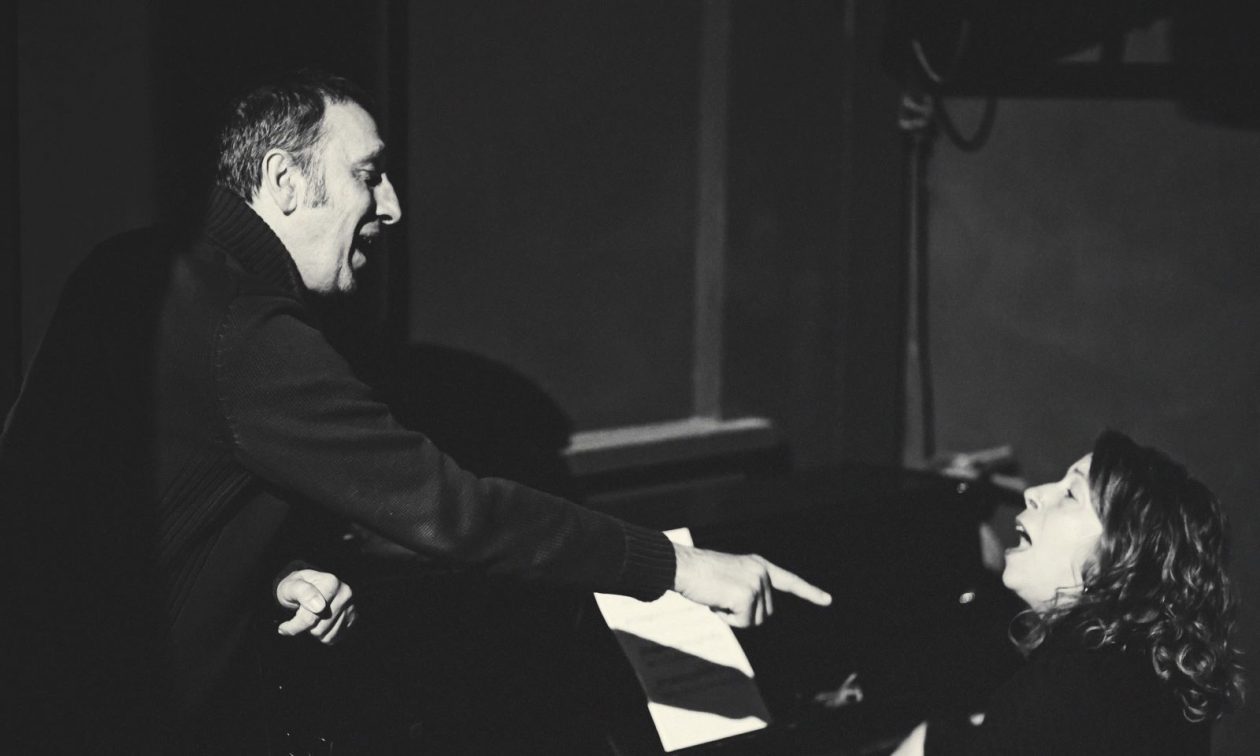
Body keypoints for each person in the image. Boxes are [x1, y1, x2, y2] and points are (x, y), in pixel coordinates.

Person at [0, 70, 830, 753]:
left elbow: (87, 506)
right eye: (368, 175)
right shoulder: (249, 332)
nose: (391, 205)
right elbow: (454, 513)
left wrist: (269, 577)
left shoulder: (130, 267)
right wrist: (679, 568)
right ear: (284, 182)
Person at [893, 430, 1244, 755]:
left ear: (1120, 554)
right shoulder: (1151, 681)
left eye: (1070, 494)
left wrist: (927, 743)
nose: (1033, 493)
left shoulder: (1064, 685)